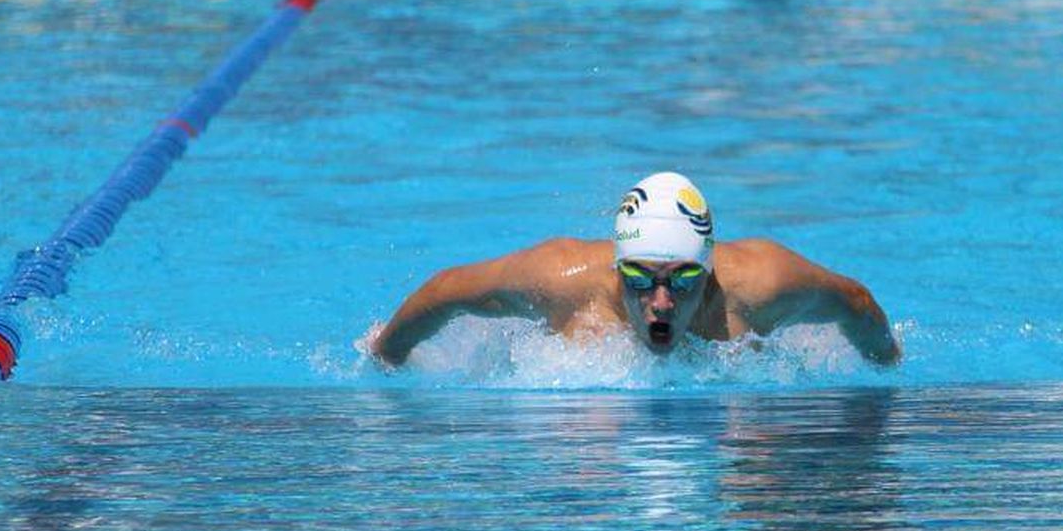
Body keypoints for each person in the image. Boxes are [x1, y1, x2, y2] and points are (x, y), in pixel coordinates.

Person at [372, 171, 900, 367]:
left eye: (685, 280)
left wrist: (885, 374)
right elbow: (446, 291)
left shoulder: (761, 285)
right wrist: (386, 355)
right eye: (641, 280)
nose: (663, 300)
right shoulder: (562, 281)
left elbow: (856, 303)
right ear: (617, 268)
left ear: (710, 270)